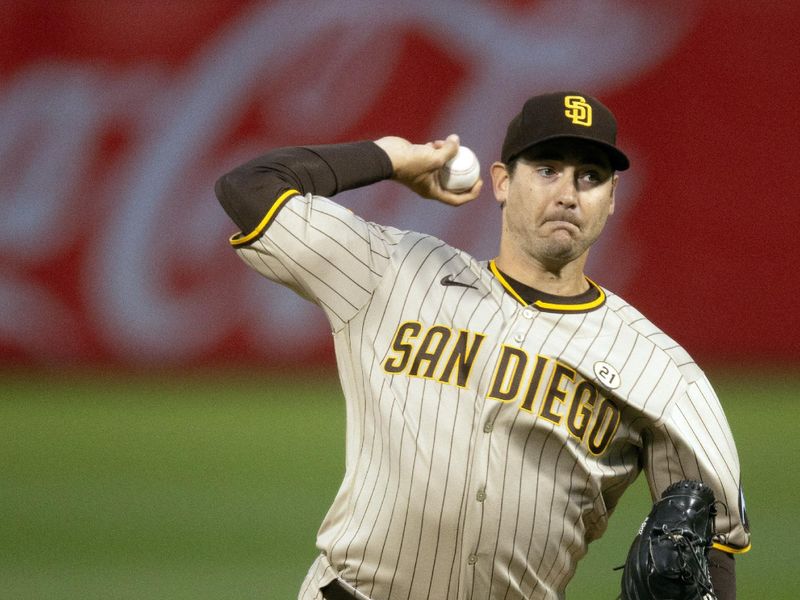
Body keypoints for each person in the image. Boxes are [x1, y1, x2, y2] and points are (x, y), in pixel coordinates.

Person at [215, 91, 750, 599]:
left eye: (590, 177)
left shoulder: (658, 369)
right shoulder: (391, 271)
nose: (567, 193)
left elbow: (713, 539)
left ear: (611, 200)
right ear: (500, 181)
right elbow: (249, 187)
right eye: (546, 169)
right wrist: (391, 158)